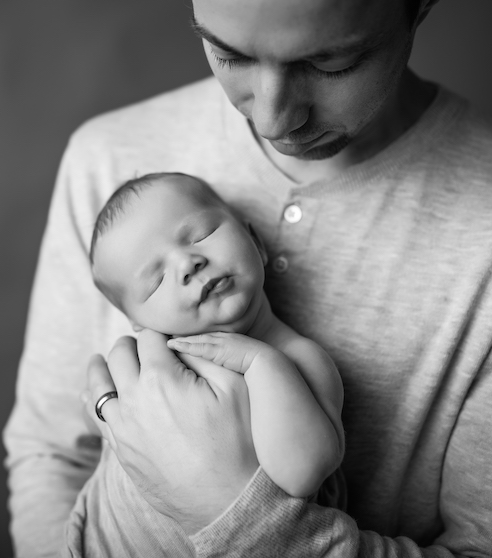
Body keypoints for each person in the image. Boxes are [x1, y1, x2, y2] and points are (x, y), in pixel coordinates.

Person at [3, 0, 492, 556]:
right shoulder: (108, 160)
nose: (274, 118)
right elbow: (52, 455)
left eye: (330, 62)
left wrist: (229, 509)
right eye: (229, 52)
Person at [65, 171, 345, 555]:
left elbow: (304, 470)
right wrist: (103, 411)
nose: (187, 263)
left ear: (256, 241)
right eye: (156, 279)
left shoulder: (298, 360)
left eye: (199, 235)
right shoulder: (149, 360)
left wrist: (261, 362)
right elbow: (101, 426)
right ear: (140, 323)